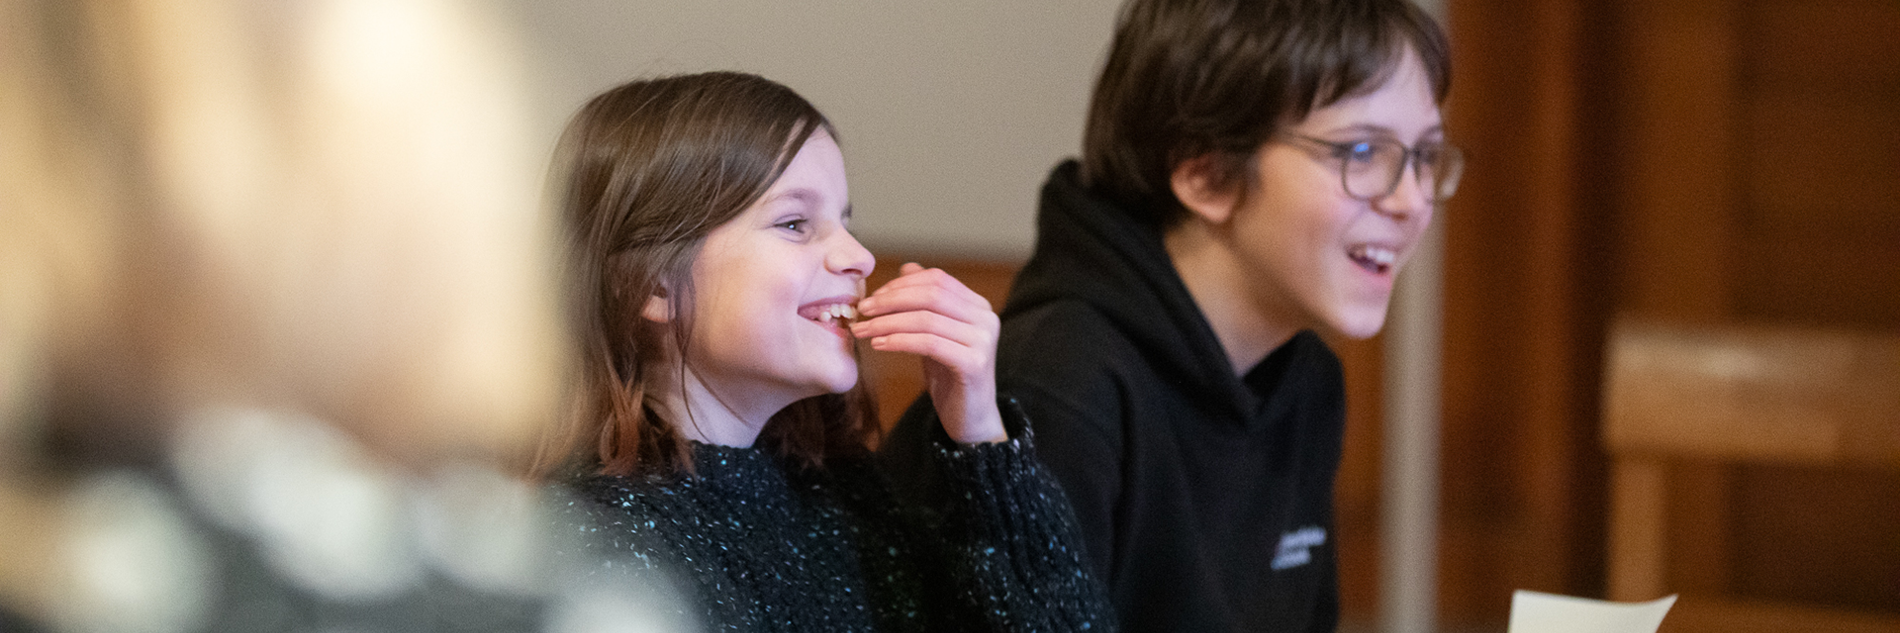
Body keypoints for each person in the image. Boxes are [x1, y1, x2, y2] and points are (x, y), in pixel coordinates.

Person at [878, 1, 1463, 631]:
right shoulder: (1059, 380)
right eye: (1361, 150)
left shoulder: (1306, 379)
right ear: (1206, 175)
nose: (1411, 201)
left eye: (1425, 156)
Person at [536, 71, 1113, 633]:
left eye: (844, 221)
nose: (858, 256)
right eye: (794, 223)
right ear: (654, 285)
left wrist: (982, 436)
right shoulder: (593, 552)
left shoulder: (841, 497)